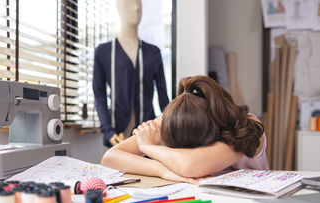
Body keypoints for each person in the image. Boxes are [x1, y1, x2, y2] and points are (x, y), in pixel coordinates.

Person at [101, 75, 268, 184]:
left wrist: (148, 147)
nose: (183, 152)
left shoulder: (246, 127)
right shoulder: (175, 118)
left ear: (212, 131)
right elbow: (110, 158)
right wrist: (163, 171)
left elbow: (189, 166)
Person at [93, 0, 169, 147]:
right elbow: (99, 95)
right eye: (129, 3)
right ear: (118, 7)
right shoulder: (104, 52)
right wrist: (108, 131)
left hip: (148, 135)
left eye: (139, 4)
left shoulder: (153, 53)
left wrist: (169, 129)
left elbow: (163, 98)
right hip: (116, 134)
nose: (135, 8)